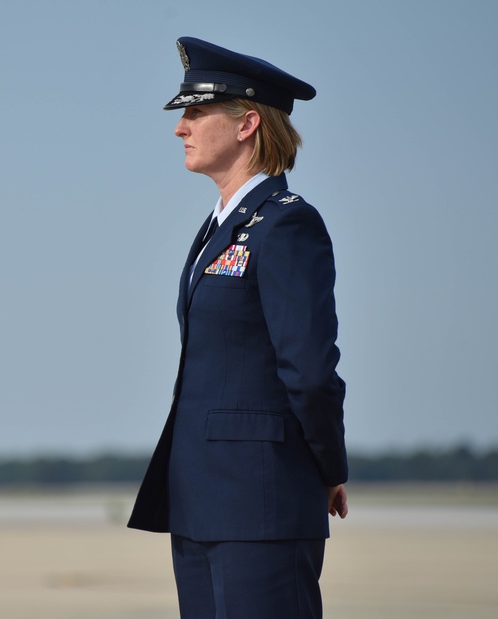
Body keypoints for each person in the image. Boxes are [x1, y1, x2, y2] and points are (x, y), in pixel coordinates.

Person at [127, 37, 349, 619]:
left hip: (263, 500)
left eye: (196, 112)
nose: (182, 128)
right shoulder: (216, 230)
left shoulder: (287, 224)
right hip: (200, 501)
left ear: (248, 123)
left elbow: (310, 369)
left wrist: (327, 465)